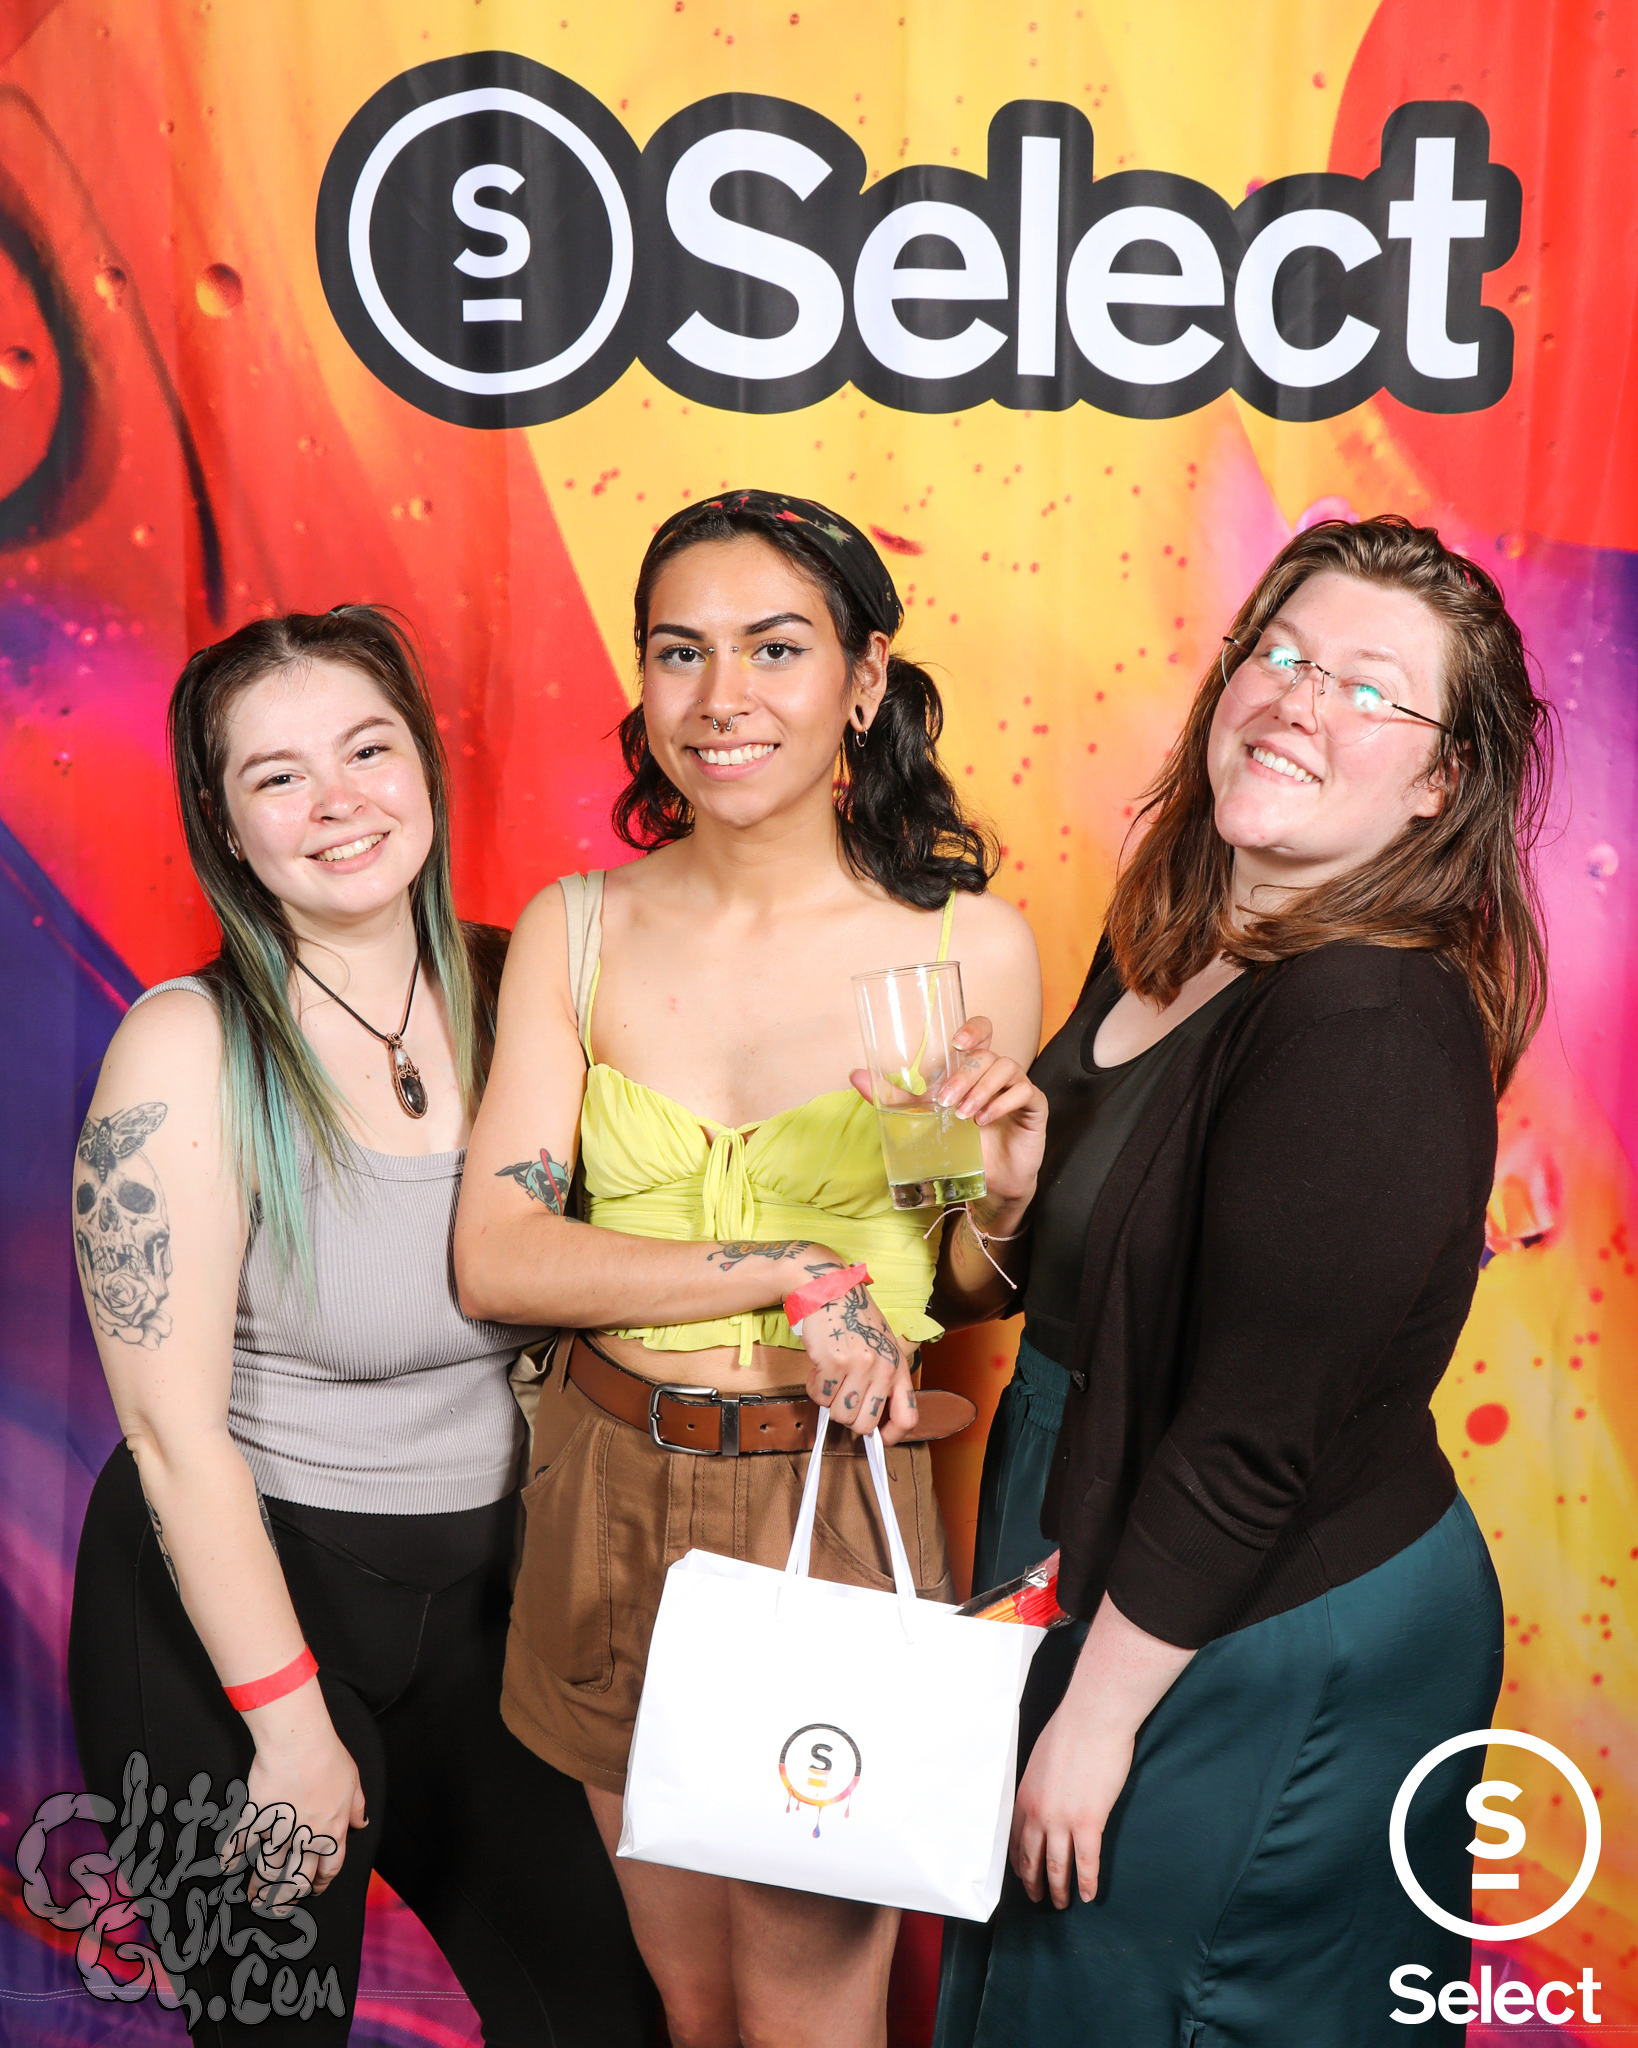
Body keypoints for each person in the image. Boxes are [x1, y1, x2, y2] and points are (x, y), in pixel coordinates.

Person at [929, 515, 1553, 2047]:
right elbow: (1065, 1283)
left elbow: (1252, 1434)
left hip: (1262, 1606)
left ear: (1441, 779)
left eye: (1367, 687)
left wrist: (1095, 1721)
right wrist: (1004, 1190)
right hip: (1095, 1530)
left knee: (1141, 2003)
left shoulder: (1367, 1023)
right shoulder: (1174, 929)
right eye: (1278, 653)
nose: (1295, 699)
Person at [454, 490, 1044, 2048]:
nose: (721, 697)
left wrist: (1003, 1191)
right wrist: (783, 1261)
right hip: (605, 1483)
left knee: (807, 2009)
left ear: (862, 679)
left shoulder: (966, 948)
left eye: (775, 649)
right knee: (693, 2001)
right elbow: (498, 1256)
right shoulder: (577, 929)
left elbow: (963, 1290)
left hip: (828, 1498)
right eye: (680, 652)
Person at [67, 608, 654, 2047]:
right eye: (277, 776)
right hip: (231, 1611)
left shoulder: (529, 999)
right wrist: (284, 1725)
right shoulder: (187, 1048)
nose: (337, 801)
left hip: (483, 1603)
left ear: (425, 768)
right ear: (224, 824)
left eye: (366, 750)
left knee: (600, 2019)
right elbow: (170, 1434)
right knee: (273, 2030)